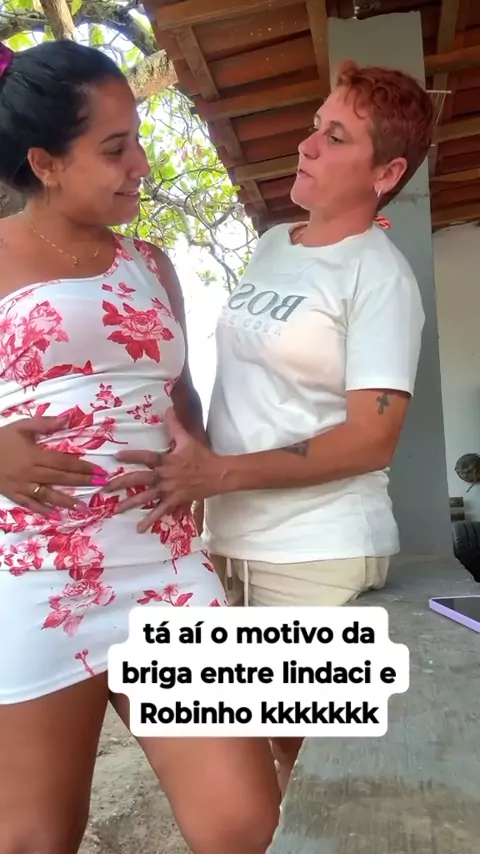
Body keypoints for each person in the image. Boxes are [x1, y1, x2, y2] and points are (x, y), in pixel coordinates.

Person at [108, 60, 433, 793]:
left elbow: (372, 438)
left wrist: (218, 473)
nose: (307, 145)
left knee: (324, 769)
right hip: (233, 541)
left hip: (316, 549)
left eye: (337, 137)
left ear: (386, 174)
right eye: (316, 126)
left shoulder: (379, 277)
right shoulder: (276, 244)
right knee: (272, 747)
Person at [0, 40, 281, 854]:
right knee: (34, 839)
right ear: (46, 163)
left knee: (246, 827)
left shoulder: (151, 264)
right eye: (115, 148)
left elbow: (178, 396)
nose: (142, 166)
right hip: (35, 572)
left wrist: (200, 461)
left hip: (163, 562)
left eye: (139, 141)